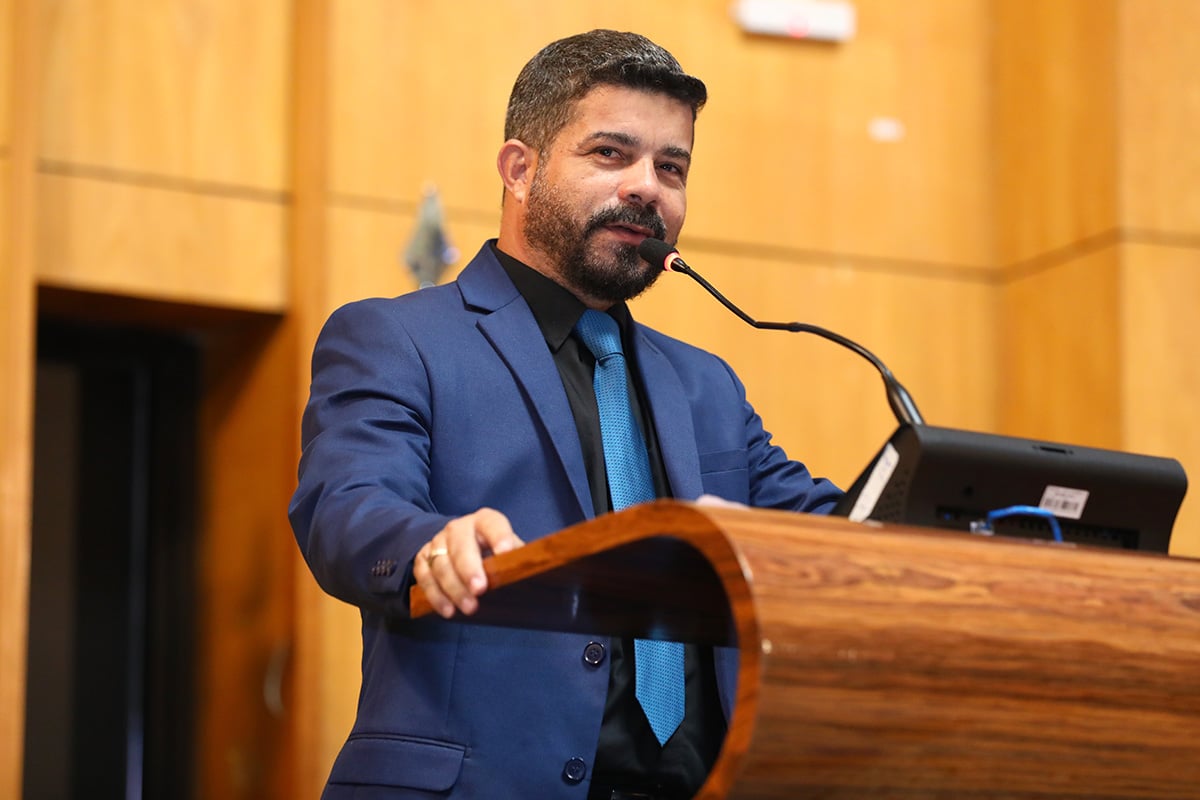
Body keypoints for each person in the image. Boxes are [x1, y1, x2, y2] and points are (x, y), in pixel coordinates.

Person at [289, 29, 842, 800]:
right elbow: (345, 506)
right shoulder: (397, 337)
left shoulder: (707, 384)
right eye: (611, 155)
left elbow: (822, 526)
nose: (648, 186)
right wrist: (429, 545)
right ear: (521, 169)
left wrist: (955, 518)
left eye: (670, 166)